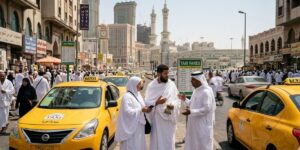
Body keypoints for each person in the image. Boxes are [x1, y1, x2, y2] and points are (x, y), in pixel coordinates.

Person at [145, 64, 181, 150]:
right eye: (165, 73)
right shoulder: (151, 86)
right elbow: (146, 102)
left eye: (168, 73)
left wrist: (171, 107)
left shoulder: (171, 85)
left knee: (168, 141)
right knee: (157, 142)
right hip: (157, 120)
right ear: (158, 74)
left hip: (169, 119)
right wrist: (156, 102)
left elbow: (177, 100)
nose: (167, 75)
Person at [178, 71, 216, 150]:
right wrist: (185, 99)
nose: (191, 82)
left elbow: (207, 109)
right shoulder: (196, 90)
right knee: (194, 145)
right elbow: (192, 104)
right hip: (194, 125)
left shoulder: (206, 92)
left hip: (202, 126)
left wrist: (191, 112)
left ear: (199, 80)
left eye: (193, 80)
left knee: (202, 146)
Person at [115, 76, 151, 150]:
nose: (140, 86)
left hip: (139, 127)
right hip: (131, 128)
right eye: (139, 84)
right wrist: (140, 110)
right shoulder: (127, 97)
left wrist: (147, 109)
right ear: (133, 84)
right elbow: (127, 112)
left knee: (138, 145)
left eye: (140, 84)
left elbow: (142, 106)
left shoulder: (138, 95)